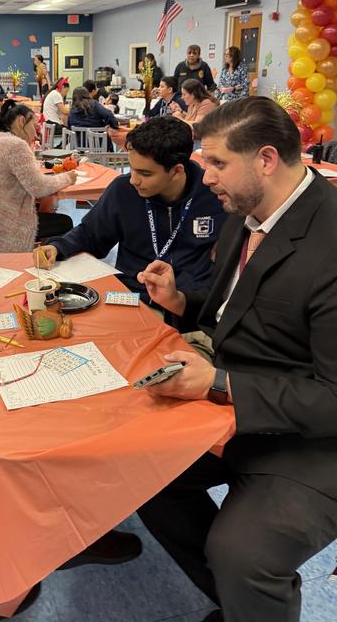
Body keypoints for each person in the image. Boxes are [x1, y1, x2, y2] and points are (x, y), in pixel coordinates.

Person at [136, 97, 337, 622]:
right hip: (239, 401)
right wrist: (182, 302)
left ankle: (245, 594)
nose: (205, 178)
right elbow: (236, 310)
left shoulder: (331, 240)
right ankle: (240, 606)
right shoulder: (246, 214)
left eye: (217, 163)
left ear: (266, 159)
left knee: (243, 554)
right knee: (140, 475)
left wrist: (220, 383)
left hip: (315, 439)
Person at [34, 116, 225, 300]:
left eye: (145, 173)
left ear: (177, 171)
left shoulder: (215, 195)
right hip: (132, 295)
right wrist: (58, 246)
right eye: (131, 168)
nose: (134, 180)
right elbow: (91, 234)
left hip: (190, 302)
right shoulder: (123, 190)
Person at [0, 100, 76, 252]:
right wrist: (68, 178)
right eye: (34, 125)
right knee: (65, 222)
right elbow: (39, 188)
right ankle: (45, 261)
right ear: (22, 121)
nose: (36, 132)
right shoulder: (16, 145)